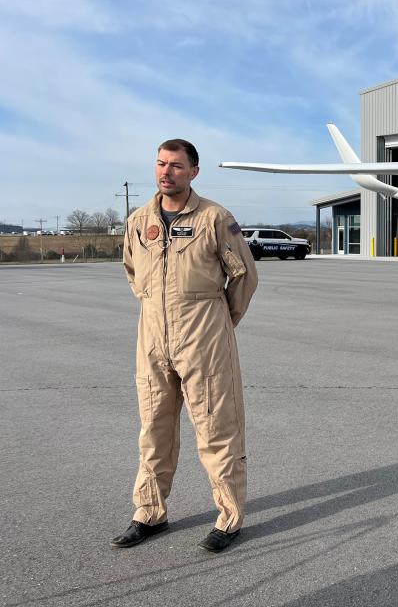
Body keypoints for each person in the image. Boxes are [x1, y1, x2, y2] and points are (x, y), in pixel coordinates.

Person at [112, 139, 258, 553]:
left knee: (216, 429)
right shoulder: (139, 220)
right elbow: (131, 271)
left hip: (205, 339)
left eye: (176, 166)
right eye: (160, 164)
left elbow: (244, 276)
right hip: (153, 339)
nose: (166, 172)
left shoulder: (215, 218)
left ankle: (229, 517)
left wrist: (220, 323)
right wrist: (157, 309)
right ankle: (149, 512)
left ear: (194, 172)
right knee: (153, 430)